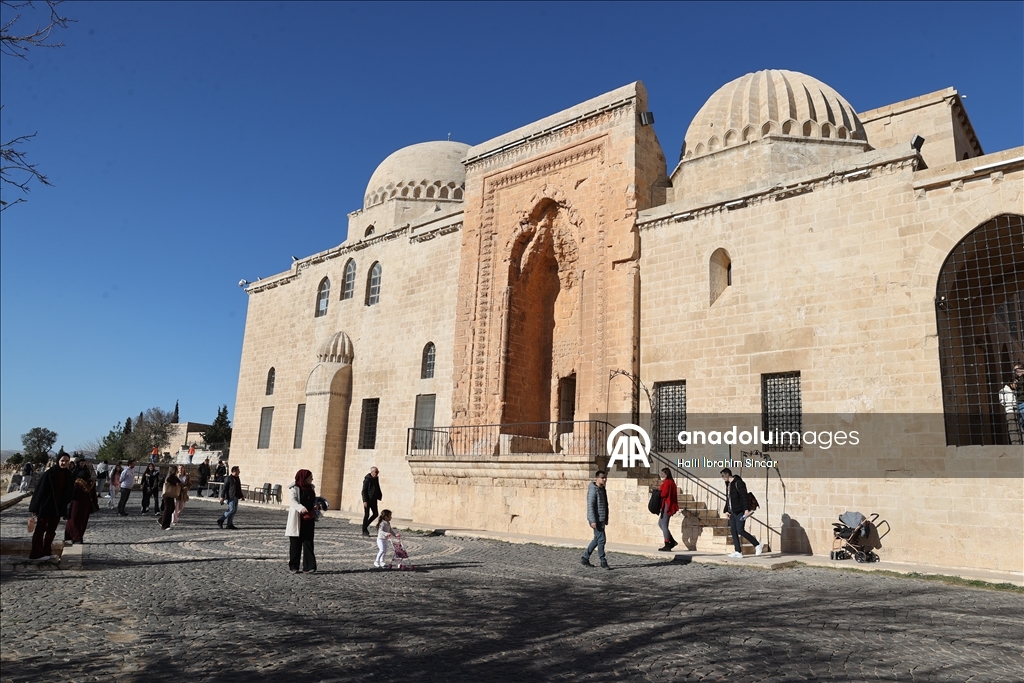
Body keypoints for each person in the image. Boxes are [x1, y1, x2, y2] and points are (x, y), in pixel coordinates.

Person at [27, 453, 74, 560]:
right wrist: (34, 507)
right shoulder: (49, 474)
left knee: (51, 530)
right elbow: (40, 490)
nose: (64, 463)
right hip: (46, 505)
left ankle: (47, 551)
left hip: (58, 507)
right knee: (40, 530)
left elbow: (70, 491)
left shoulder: (68, 475)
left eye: (66, 461)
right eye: (62, 461)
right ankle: (36, 554)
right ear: (58, 461)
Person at [721, 468, 763, 558]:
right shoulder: (728, 484)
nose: (722, 478)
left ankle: (757, 545)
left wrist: (746, 510)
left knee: (740, 530)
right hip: (733, 512)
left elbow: (744, 496)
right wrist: (727, 510)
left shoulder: (738, 483)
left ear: (728, 474)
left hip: (741, 511)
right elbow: (728, 499)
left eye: (723, 475)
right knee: (733, 531)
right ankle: (738, 552)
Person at [286, 469, 320, 574]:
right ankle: (294, 566)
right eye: (310, 477)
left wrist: (316, 506)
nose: (312, 479)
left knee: (308, 542)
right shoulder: (294, 488)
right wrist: (301, 508)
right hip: (297, 518)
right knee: (295, 543)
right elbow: (293, 501)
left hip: (309, 519)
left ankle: (309, 566)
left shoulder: (311, 488)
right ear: (304, 478)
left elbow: (313, 500)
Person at [580, 470, 611, 569]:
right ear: (597, 478)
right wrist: (592, 520)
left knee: (597, 539)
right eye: (602, 478)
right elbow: (590, 506)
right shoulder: (593, 490)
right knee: (602, 539)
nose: (604, 479)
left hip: (601, 518)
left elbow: (605, 504)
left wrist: (606, 517)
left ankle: (585, 557)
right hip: (596, 520)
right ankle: (603, 560)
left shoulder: (602, 489)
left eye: (605, 477)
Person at [64, 469, 99, 545]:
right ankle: (79, 537)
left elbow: (72, 495)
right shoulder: (91, 484)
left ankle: (75, 537)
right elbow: (94, 496)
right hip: (86, 505)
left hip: (76, 504)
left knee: (73, 521)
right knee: (82, 522)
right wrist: (96, 505)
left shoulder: (76, 484)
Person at [657, 468, 680, 551]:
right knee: (660, 523)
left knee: (664, 525)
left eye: (663, 474)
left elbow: (664, 493)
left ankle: (667, 543)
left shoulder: (667, 482)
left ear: (667, 474)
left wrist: (658, 492)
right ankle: (672, 541)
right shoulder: (671, 482)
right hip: (668, 504)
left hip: (668, 504)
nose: (661, 475)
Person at [361, 467, 382, 536]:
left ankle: (365, 526)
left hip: (374, 500)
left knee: (375, 514)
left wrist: (379, 495)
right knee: (366, 515)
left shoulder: (376, 479)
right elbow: (364, 491)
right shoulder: (367, 480)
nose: (377, 473)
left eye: (377, 472)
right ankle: (364, 530)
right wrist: (365, 501)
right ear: (372, 472)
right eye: (376, 472)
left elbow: (377, 487)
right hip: (368, 500)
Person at [999, 379, 1022, 445]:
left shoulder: (1017, 391)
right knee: (1013, 428)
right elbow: (1003, 402)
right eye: (1015, 383)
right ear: (1010, 383)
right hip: (1010, 411)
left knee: (1020, 427)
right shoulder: (1003, 391)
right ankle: (1015, 444)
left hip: (1018, 411)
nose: (1016, 385)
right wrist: (1012, 403)